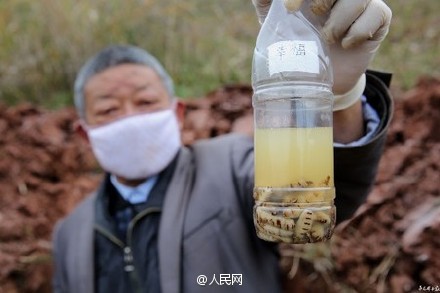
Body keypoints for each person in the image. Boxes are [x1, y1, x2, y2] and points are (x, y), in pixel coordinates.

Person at [52, 0, 393, 292]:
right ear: (85, 133)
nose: (130, 119)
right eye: (109, 109)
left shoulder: (230, 166)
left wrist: (338, 98)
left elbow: (329, 192)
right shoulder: (69, 236)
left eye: (144, 102)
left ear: (177, 112)